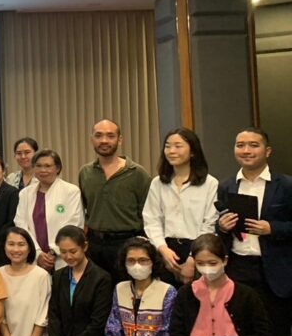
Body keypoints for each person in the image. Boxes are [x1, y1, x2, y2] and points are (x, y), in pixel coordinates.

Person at [217, 127, 292, 336]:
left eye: (253, 145)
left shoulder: (285, 185)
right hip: (239, 269)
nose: (246, 150)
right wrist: (222, 226)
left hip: (274, 272)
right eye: (240, 145)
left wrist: (272, 229)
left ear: (267, 151)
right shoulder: (226, 186)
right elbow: (220, 230)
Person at [143, 128, 219, 285]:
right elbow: (151, 220)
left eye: (178, 146)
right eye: (167, 146)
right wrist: (163, 250)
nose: (171, 151)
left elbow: (210, 223)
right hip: (165, 248)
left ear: (193, 152)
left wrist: (193, 258)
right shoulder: (158, 183)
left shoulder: (210, 183)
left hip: (198, 249)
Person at [77, 119, 152, 279]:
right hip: (95, 245)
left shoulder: (137, 173)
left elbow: (149, 214)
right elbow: (85, 210)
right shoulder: (85, 173)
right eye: (98, 136)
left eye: (110, 136)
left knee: (127, 289)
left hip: (128, 243)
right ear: (92, 140)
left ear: (120, 140)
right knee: (98, 290)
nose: (104, 140)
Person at [14, 150, 84, 272]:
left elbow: (74, 224)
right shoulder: (25, 193)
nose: (43, 170)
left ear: (57, 168)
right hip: (34, 256)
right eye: (38, 166)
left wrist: (53, 252)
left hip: (63, 257)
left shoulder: (71, 191)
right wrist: (38, 253)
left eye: (48, 166)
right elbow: (21, 224)